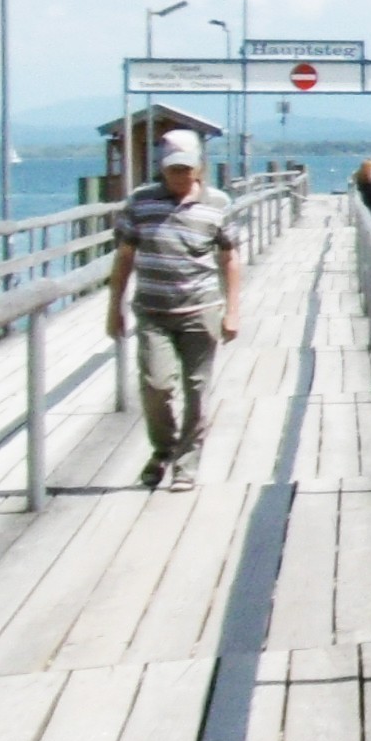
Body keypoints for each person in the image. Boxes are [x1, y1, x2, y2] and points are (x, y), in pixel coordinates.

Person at [105, 128, 243, 492]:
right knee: (157, 385)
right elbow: (123, 258)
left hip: (200, 308)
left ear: (198, 168)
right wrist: (113, 308)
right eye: (172, 169)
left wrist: (232, 311)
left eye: (186, 169)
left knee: (196, 388)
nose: (179, 176)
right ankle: (163, 450)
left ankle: (187, 462)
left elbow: (229, 258)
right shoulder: (140, 202)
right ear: (161, 168)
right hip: (153, 310)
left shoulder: (217, 203)